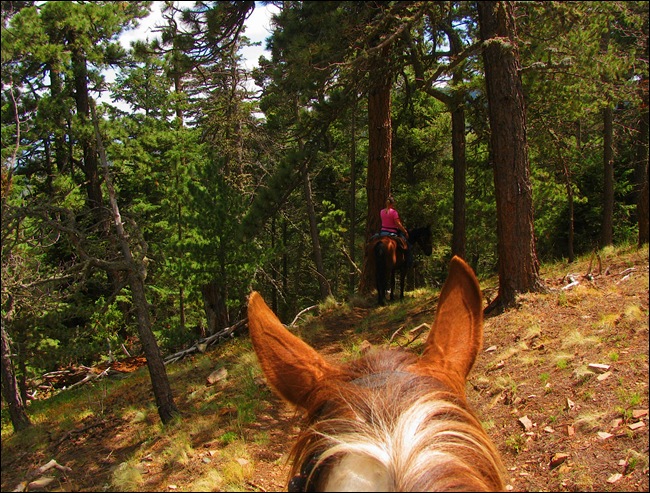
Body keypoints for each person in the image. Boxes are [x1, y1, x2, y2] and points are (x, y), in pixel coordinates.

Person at [380, 196, 413, 266]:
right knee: (407, 245)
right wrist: (405, 231)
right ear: (392, 204)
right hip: (392, 232)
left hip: (382, 232)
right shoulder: (394, 212)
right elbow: (398, 224)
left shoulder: (381, 211)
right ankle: (408, 263)